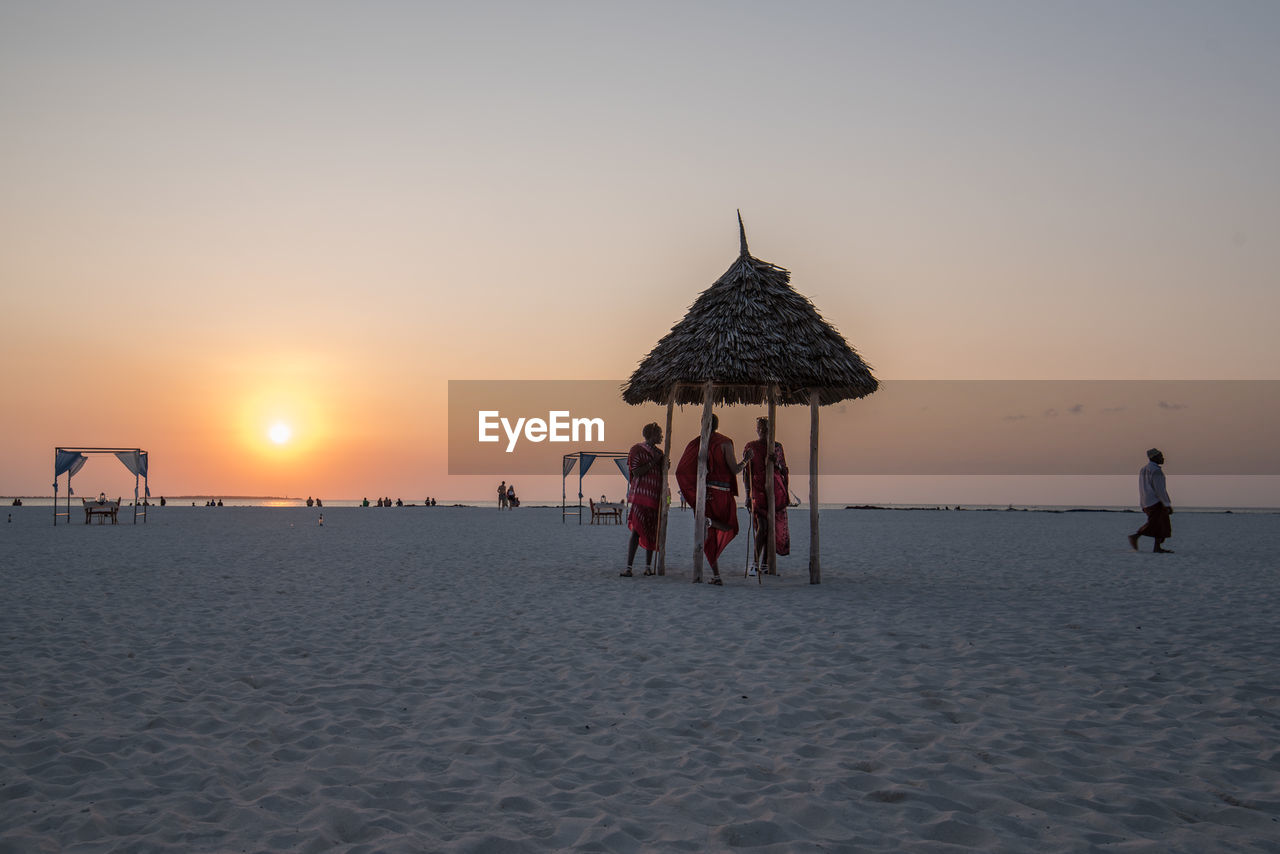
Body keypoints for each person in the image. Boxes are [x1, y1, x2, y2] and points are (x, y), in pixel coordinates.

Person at [676, 414, 749, 585]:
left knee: (707, 535)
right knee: (730, 526)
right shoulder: (725, 442)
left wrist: (696, 491)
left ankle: (716, 574)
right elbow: (734, 469)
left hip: (707, 494)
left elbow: (681, 471)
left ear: (702, 423)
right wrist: (746, 460)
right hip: (723, 493)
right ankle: (716, 576)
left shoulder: (698, 443)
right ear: (718, 424)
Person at [744, 416, 790, 575]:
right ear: (757, 429)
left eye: (765, 428)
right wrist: (747, 495)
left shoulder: (777, 447)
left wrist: (775, 462)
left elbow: (784, 470)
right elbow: (746, 472)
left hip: (775, 492)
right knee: (762, 527)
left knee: (771, 529)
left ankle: (764, 564)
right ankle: (754, 563)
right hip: (758, 491)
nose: (762, 431)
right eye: (760, 428)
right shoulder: (751, 447)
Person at [621, 423, 664, 577]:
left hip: (655, 496)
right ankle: (629, 567)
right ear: (652, 434)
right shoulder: (637, 450)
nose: (661, 436)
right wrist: (654, 461)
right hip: (641, 496)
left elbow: (662, 473)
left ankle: (647, 567)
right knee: (637, 530)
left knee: (652, 531)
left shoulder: (659, 452)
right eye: (659, 433)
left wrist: (663, 464)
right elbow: (637, 471)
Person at [1129, 448, 1174, 553]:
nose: (1163, 458)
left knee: (1159, 524)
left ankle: (1156, 547)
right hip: (1155, 501)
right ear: (1154, 457)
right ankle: (1136, 536)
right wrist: (1167, 504)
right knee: (1158, 523)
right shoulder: (1156, 471)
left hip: (1146, 501)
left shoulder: (1144, 469)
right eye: (1160, 456)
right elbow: (1160, 490)